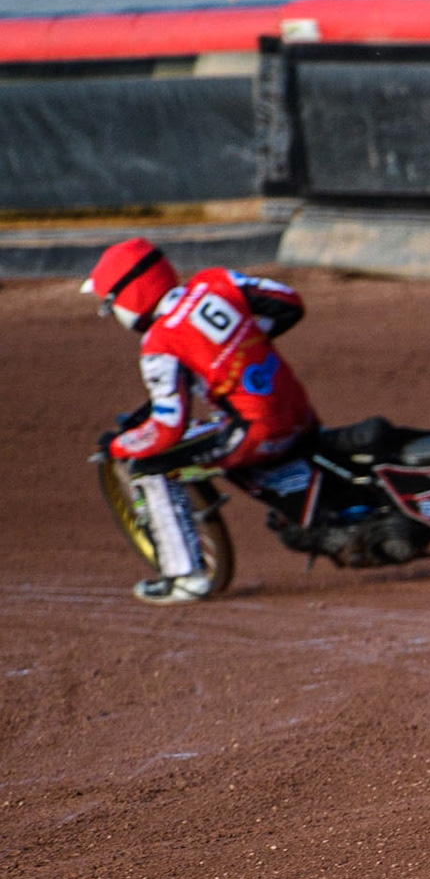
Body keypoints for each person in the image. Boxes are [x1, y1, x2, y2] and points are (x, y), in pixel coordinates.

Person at [85, 238, 316, 605]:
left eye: (110, 306)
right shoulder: (216, 282)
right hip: (300, 412)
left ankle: (185, 578)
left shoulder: (160, 344)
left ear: (128, 297)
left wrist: (117, 446)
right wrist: (238, 348)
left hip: (257, 433)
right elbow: (290, 304)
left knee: (148, 465)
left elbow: (167, 429)